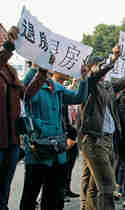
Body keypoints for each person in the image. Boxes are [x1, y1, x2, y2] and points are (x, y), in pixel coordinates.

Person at [78, 45, 125, 210]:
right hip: (93, 141)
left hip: (108, 140)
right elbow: (96, 75)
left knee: (95, 186)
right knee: (108, 185)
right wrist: (112, 59)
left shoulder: (106, 86)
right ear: (89, 68)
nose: (103, 69)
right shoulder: (87, 84)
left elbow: (121, 82)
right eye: (98, 65)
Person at [20, 60, 89, 210]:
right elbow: (25, 92)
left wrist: (84, 79)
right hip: (39, 148)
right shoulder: (32, 84)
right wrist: (36, 67)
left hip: (58, 148)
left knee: (54, 194)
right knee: (31, 193)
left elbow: (78, 98)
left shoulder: (56, 87)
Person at [0, 26, 47, 210]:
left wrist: (42, 72)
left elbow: (26, 94)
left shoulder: (10, 70)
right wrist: (9, 46)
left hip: (11, 140)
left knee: (4, 188)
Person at [51, 73, 80, 199]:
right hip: (62, 136)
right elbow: (62, 118)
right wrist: (67, 136)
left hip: (74, 135)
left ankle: (66, 189)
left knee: (69, 165)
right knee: (57, 168)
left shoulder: (69, 96)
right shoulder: (55, 93)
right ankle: (58, 191)